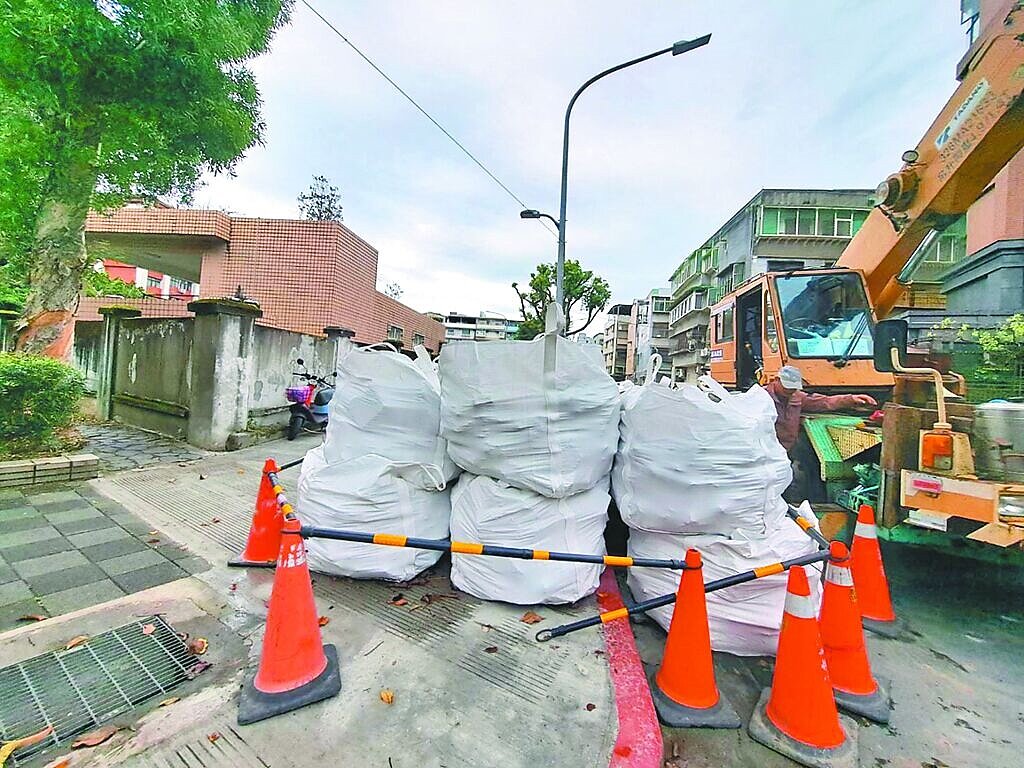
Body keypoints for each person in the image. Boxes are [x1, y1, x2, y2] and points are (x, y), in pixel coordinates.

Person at [766, 365, 877, 454]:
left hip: (785, 450)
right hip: (766, 451)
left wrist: (851, 399)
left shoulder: (797, 397)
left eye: (793, 388)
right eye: (787, 386)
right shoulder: (761, 397)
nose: (790, 391)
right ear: (776, 380)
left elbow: (823, 402)